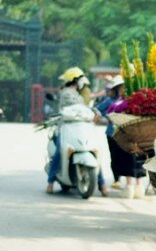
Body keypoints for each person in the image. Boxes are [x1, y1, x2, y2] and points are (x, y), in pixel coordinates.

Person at [46, 67, 108, 196]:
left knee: (94, 151)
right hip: (66, 127)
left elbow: (85, 108)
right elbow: (77, 108)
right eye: (80, 79)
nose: (82, 82)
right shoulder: (66, 92)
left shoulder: (79, 93)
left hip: (81, 126)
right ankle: (50, 182)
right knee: (59, 151)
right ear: (75, 80)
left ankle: (101, 184)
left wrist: (94, 111)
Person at [95, 75, 125, 190]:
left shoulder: (126, 100)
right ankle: (116, 179)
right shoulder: (109, 101)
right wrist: (102, 117)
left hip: (125, 133)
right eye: (120, 87)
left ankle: (127, 179)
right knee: (115, 156)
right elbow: (97, 109)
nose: (122, 89)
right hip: (112, 133)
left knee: (124, 156)